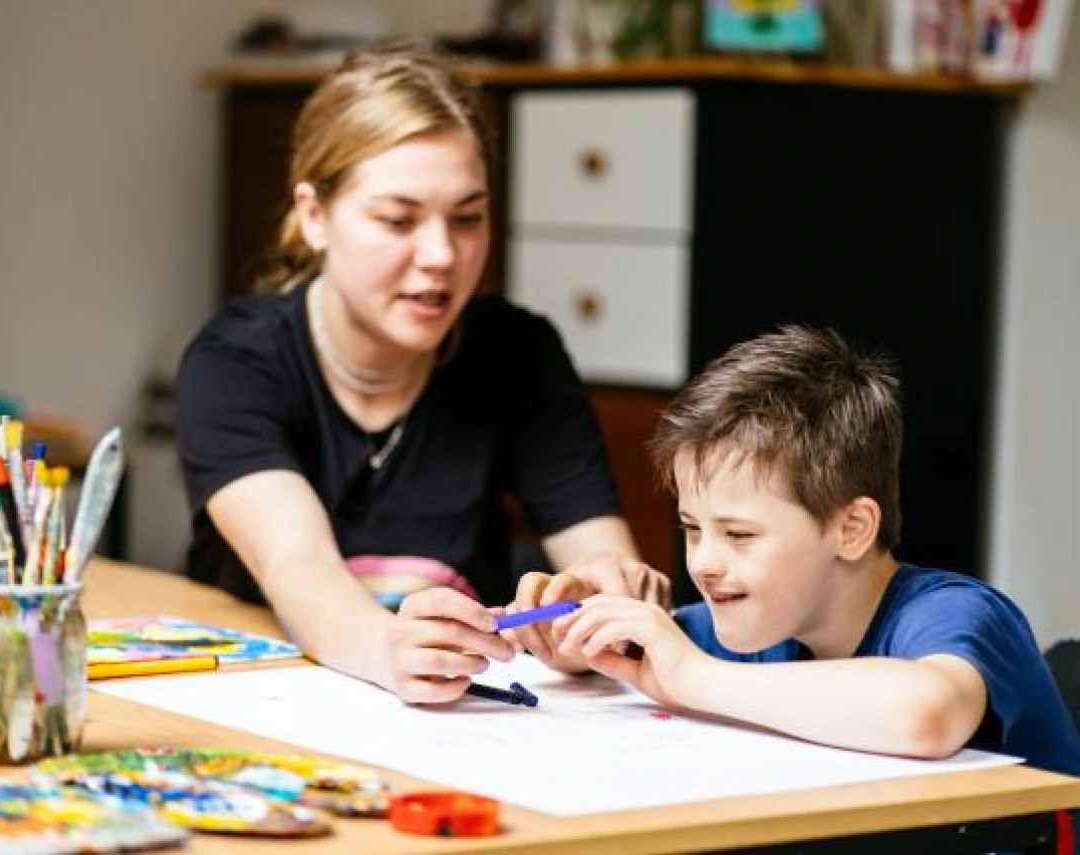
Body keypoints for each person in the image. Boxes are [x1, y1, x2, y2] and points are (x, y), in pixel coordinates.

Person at [175, 43, 668, 704]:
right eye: (398, 220)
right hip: (267, 701)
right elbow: (298, 566)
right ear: (315, 216)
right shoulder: (235, 363)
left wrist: (602, 608)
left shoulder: (519, 353)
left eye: (468, 218)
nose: (441, 256)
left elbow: (600, 558)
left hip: (458, 720)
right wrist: (388, 649)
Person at [538, 326, 1080, 785]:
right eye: (691, 528)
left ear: (852, 529)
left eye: (740, 535)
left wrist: (693, 676)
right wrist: (577, 642)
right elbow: (654, 658)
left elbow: (925, 714)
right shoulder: (762, 624)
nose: (703, 562)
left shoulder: (956, 614)